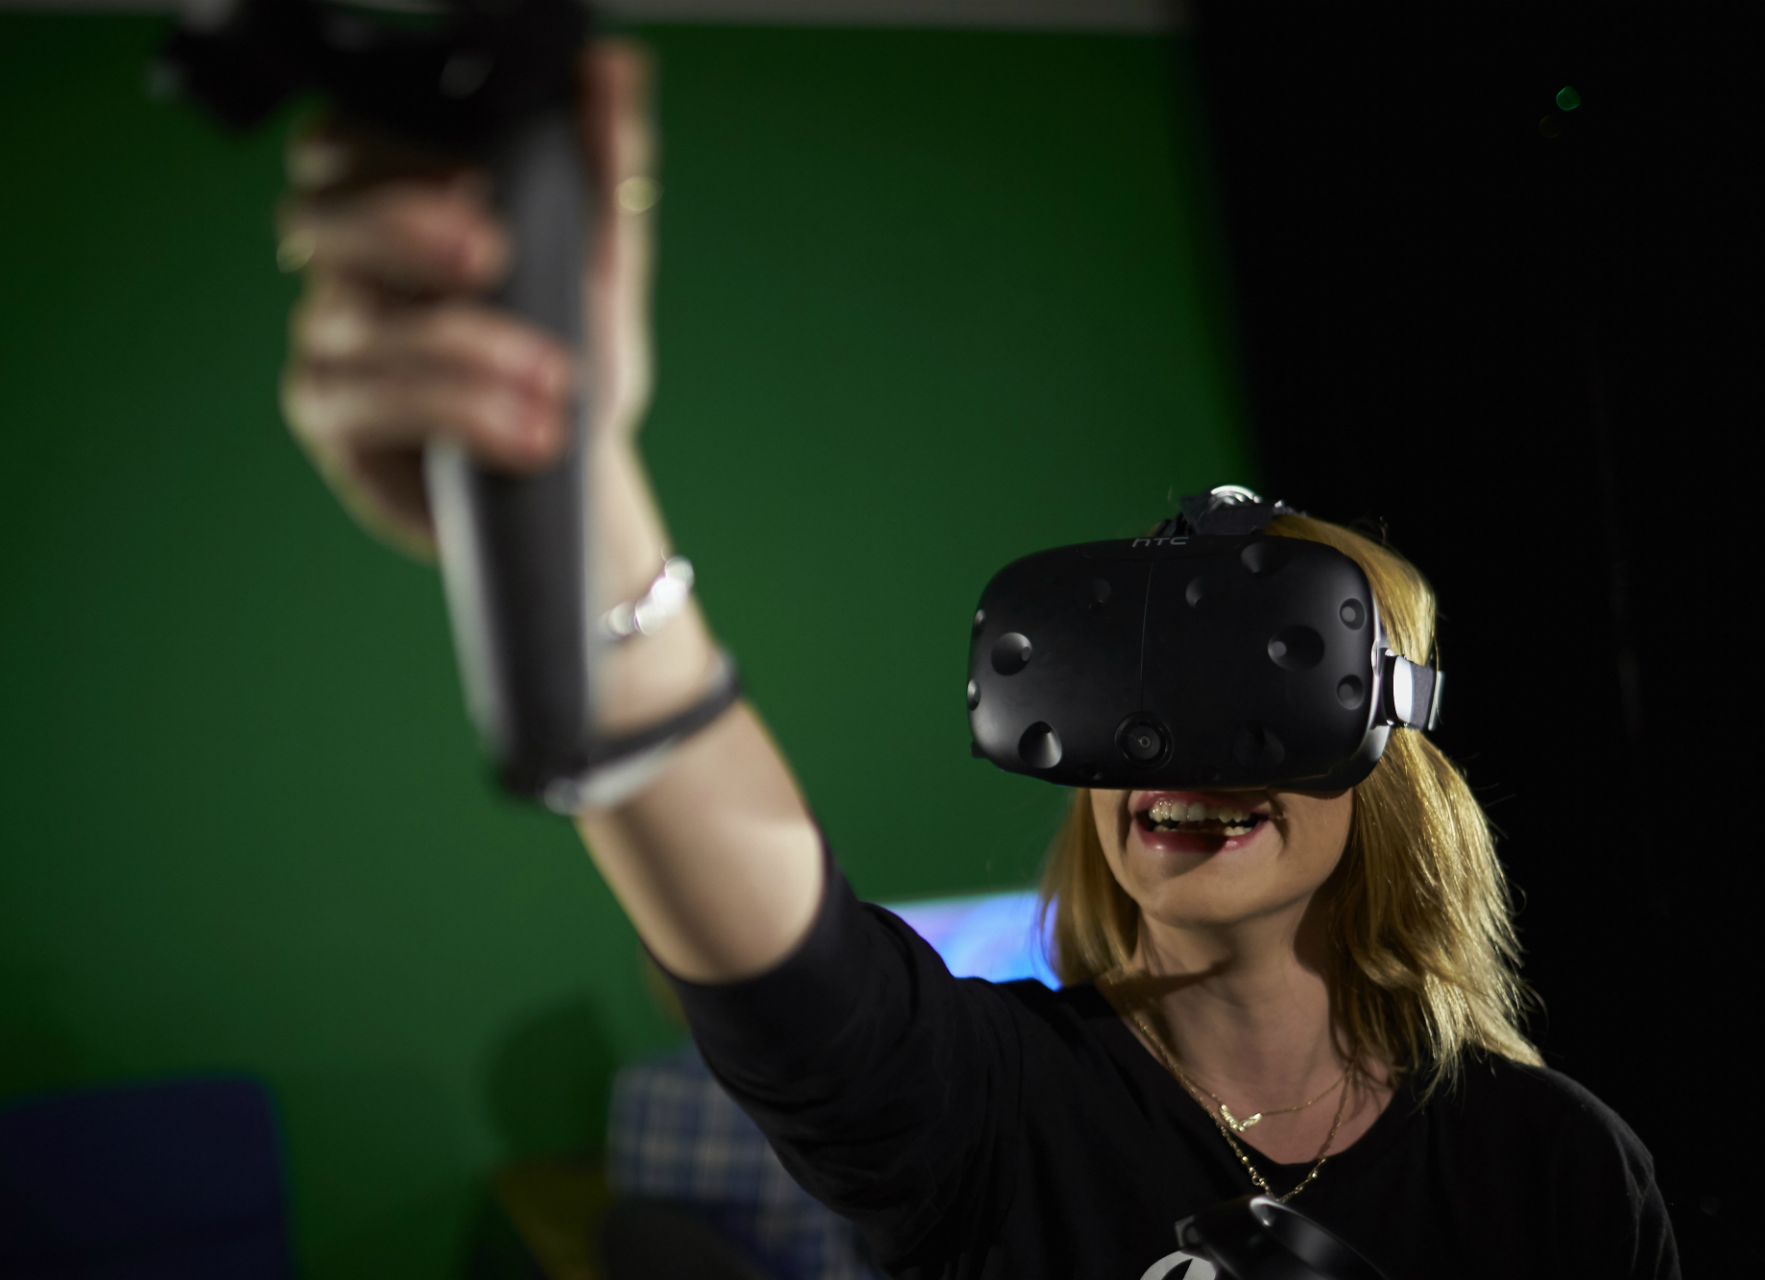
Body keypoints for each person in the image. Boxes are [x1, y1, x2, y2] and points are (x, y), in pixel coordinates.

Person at [272, 42, 1679, 1279]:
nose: (1179, 749)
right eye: (1135, 688)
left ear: (1388, 745)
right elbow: (785, 970)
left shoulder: (1553, 1169)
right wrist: (563, 497)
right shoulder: (986, 1108)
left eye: (1260, 683)